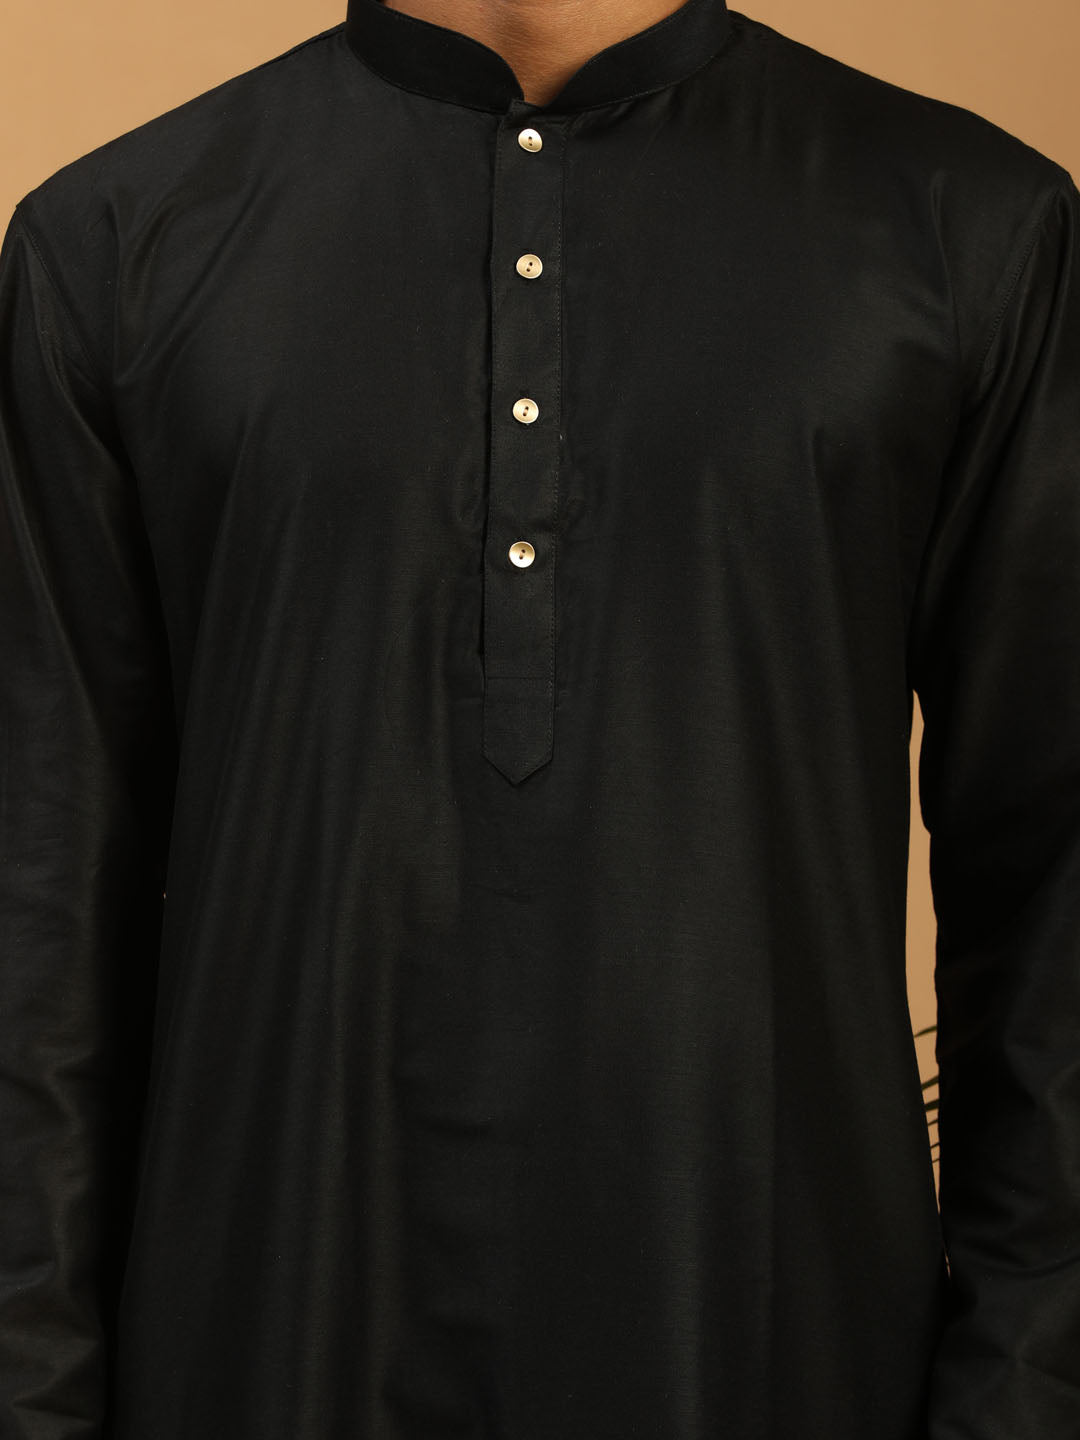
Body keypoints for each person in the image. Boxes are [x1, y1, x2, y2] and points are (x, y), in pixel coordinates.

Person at [1, 0, 1078, 1436]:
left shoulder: (971, 230)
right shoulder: (113, 244)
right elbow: (38, 920)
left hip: (779, 1349)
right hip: (253, 1351)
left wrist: (1022, 1399)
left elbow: (1053, 888)